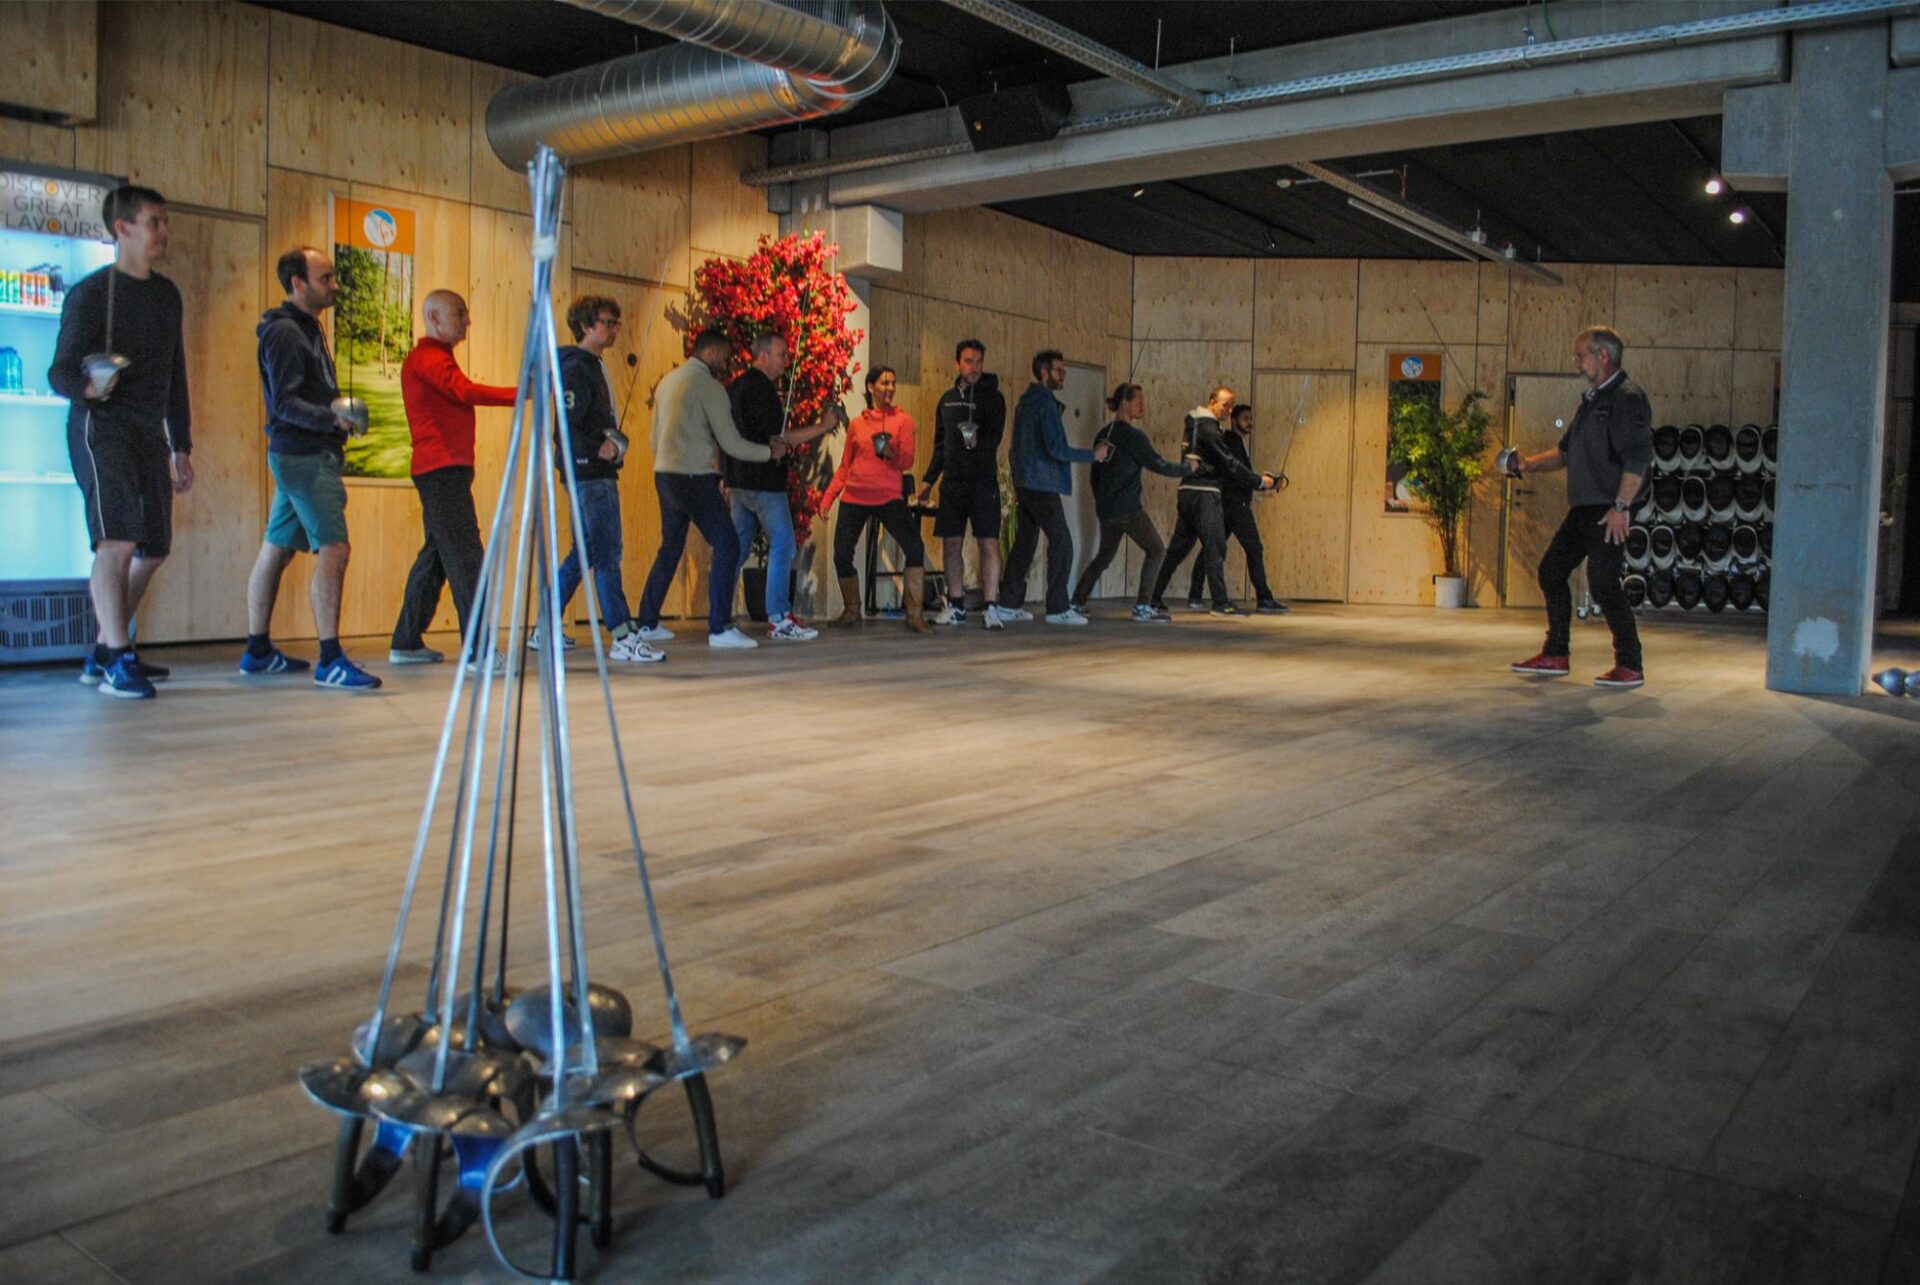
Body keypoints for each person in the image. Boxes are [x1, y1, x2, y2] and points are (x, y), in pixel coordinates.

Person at [50, 184, 193, 699]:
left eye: (164, 221)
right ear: (122, 228)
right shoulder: (91, 294)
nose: (164, 231)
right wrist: (91, 387)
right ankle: (118, 656)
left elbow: (175, 373)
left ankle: (106, 650)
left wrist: (181, 444)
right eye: (155, 222)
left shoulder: (167, 295)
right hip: (100, 427)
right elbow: (60, 371)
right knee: (117, 542)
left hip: (149, 433)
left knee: (153, 548)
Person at [241, 247, 379, 690]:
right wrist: (331, 419)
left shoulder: (308, 328)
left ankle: (257, 650)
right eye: (325, 278)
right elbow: (284, 403)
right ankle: (330, 660)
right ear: (298, 283)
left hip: (300, 454)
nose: (334, 285)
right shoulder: (284, 334)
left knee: (277, 549)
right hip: (304, 456)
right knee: (334, 550)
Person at [1508, 326, 1652, 688]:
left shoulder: (1627, 397)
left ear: (1602, 356)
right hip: (1584, 508)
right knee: (1551, 571)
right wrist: (1527, 464)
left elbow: (1638, 458)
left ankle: (1630, 664)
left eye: (1580, 355)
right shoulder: (1591, 401)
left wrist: (1621, 506)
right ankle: (1556, 653)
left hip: (1609, 508)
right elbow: (1564, 452)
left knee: (1602, 583)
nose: (1576, 362)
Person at [633, 327, 788, 650]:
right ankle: (720, 627)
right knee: (728, 543)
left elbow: (654, 437)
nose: (728, 362)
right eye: (726, 356)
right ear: (713, 352)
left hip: (664, 474)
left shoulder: (667, 382)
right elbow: (730, 442)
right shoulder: (710, 387)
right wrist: (768, 452)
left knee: (670, 547)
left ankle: (647, 621)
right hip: (694, 476)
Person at [387, 289, 518, 666]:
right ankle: (478, 651)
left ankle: (406, 641)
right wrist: (523, 393)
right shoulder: (427, 358)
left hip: (443, 471)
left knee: (437, 558)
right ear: (434, 318)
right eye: (459, 313)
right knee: (466, 558)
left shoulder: (436, 358)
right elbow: (463, 391)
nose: (467, 321)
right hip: (441, 471)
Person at [546, 295, 662, 664]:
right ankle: (622, 635)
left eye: (616, 323)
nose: (614, 330)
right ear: (585, 326)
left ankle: (545, 626)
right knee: (608, 553)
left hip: (592, 471)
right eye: (607, 323)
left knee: (584, 552)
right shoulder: (576, 369)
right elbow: (565, 427)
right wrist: (599, 448)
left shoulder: (590, 366)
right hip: (590, 474)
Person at [724, 331, 838, 642]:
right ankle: (778, 617)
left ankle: (720, 614)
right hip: (763, 481)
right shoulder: (762, 390)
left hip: (738, 481)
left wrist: (725, 475)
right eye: (782, 354)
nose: (787, 361)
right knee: (784, 543)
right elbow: (779, 440)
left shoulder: (734, 387)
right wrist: (823, 426)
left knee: (737, 548)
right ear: (763, 356)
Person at [1001, 349, 1111, 626]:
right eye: (1059, 371)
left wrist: (1018, 480)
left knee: (1025, 543)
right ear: (1044, 373)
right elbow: (1056, 449)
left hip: (1025, 482)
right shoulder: (1046, 405)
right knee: (1062, 542)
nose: (1063, 376)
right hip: (1042, 484)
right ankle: (1057, 607)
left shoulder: (1025, 403)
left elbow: (1016, 449)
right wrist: (1093, 455)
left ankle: (1008, 603)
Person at [1150, 384, 1279, 616]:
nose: (1229, 411)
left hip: (1187, 490)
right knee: (1215, 546)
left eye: (1231, 406)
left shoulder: (1193, 425)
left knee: (1178, 549)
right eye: (1225, 406)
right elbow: (1229, 463)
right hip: (1206, 493)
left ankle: (1153, 598)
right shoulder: (1209, 428)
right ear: (1212, 402)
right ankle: (1220, 603)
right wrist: (1260, 482)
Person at [1070, 382, 1190, 622]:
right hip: (1127, 509)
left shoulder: (1103, 434)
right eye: (1139, 401)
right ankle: (1143, 606)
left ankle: (1076, 601)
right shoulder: (1133, 437)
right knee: (1156, 550)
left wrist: (1101, 502)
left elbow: (1095, 475)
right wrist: (1187, 468)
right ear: (1125, 403)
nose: (1143, 405)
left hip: (1107, 509)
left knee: (1104, 556)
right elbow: (1157, 464)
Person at [820, 366, 927, 632]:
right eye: (884, 383)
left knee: (915, 548)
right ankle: (852, 610)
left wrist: (892, 453)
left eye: (893, 383)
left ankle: (914, 614)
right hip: (855, 496)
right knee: (841, 553)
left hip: (888, 496)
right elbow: (845, 466)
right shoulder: (858, 424)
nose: (890, 388)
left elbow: (907, 461)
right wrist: (828, 498)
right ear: (871, 387)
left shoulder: (903, 420)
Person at [917, 339, 1006, 629]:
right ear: (957, 363)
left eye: (978, 361)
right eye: (968, 361)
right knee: (951, 543)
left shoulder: (994, 398)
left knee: (988, 543)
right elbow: (940, 446)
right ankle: (956, 605)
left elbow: (995, 437)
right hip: (953, 483)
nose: (974, 367)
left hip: (982, 482)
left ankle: (991, 607)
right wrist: (928, 480)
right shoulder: (947, 400)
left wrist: (979, 440)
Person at [1186, 403, 1287, 614]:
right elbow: (1237, 474)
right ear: (1233, 421)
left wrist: (1263, 483)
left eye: (1251, 419)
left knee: (1211, 548)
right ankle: (1264, 598)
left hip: (1228, 504)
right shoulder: (1231, 441)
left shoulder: (1234, 442)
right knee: (1254, 548)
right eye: (1245, 419)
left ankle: (1195, 594)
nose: (1250, 423)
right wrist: (1263, 483)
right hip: (1236, 506)